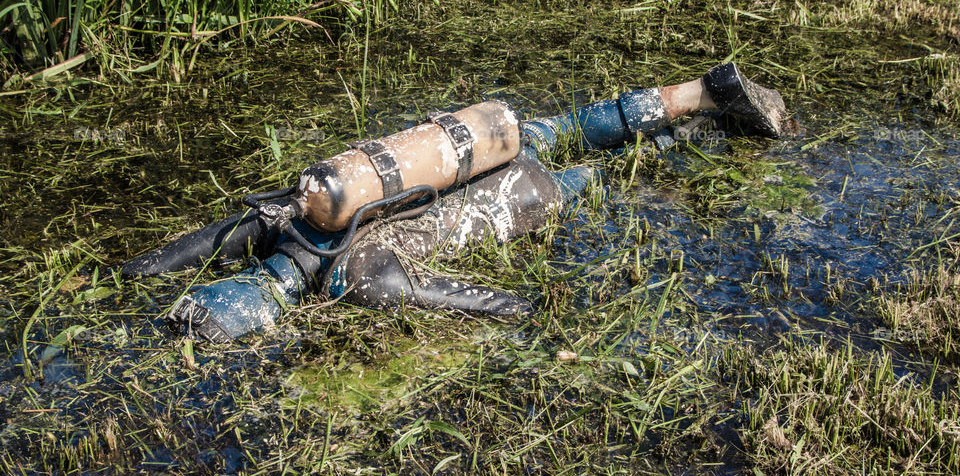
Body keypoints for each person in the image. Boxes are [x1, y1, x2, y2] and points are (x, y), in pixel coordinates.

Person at [123, 63, 786, 343]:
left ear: (262, 303)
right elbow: (208, 239)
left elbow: (447, 293)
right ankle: (697, 94)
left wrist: (518, 308)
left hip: (516, 198)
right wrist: (142, 269)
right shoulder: (289, 209)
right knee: (578, 128)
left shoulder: (345, 273)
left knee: (604, 175)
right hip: (484, 149)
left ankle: (701, 133)